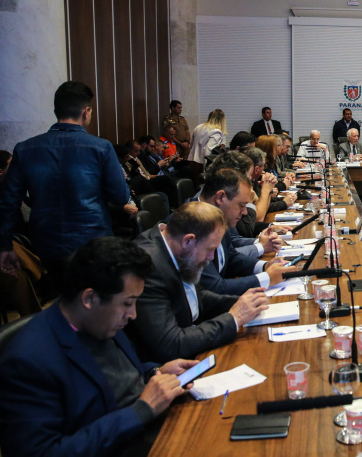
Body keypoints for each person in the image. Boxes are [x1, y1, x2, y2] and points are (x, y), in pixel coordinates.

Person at [0, 237, 200, 457]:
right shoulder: (28, 361)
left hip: (152, 429)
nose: (133, 314)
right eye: (127, 303)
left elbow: (121, 374)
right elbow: (44, 452)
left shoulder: (99, 320)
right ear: (89, 298)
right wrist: (140, 411)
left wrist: (156, 372)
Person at [0, 81, 130, 286]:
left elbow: (8, 203)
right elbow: (120, 197)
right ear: (86, 111)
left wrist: (5, 246)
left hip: (46, 244)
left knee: (64, 298)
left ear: (55, 110)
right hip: (93, 241)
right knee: (93, 300)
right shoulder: (101, 148)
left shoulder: (24, 149)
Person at [130, 202, 270, 362]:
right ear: (188, 240)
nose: (211, 258)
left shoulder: (177, 249)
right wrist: (233, 319)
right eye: (210, 250)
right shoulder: (149, 267)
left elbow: (197, 296)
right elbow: (170, 344)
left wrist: (242, 304)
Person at [193, 170, 288, 295]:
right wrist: (266, 278)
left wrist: (265, 266)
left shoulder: (217, 215)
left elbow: (230, 257)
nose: (245, 212)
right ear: (220, 197)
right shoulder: (192, 223)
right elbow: (213, 287)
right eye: (241, 205)